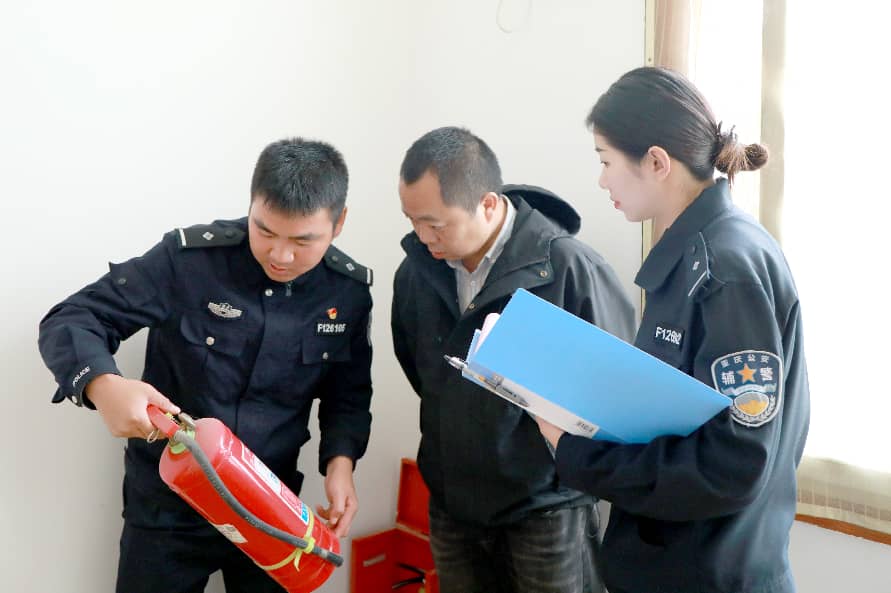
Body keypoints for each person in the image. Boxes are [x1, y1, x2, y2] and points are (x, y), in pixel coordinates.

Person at [38, 138, 374, 593]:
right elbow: (74, 317)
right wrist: (102, 384)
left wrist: (341, 465)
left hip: (271, 507)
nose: (280, 255)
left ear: (339, 223)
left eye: (302, 241)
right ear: (251, 206)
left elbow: (347, 394)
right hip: (169, 505)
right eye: (265, 231)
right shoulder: (190, 261)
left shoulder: (347, 292)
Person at [536, 67, 810, 593]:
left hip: (711, 573)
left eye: (606, 161)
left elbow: (734, 463)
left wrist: (576, 452)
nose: (602, 181)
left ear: (657, 162)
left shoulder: (725, 267)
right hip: (681, 563)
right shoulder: (699, 253)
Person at [391, 126, 636, 593]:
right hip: (452, 506)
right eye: (412, 220)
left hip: (545, 508)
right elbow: (420, 370)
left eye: (435, 224)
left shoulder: (567, 269)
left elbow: (614, 393)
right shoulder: (417, 273)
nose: (422, 237)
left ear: (487, 204)